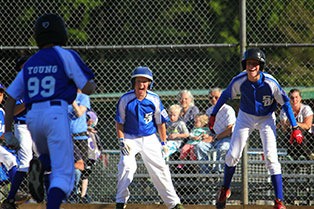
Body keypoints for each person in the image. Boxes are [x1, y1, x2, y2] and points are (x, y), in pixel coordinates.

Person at [3, 13, 96, 209]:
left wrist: (9, 131)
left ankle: (41, 164)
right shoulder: (66, 55)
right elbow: (88, 88)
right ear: (61, 33)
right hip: (55, 115)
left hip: (34, 118)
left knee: (48, 159)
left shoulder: (31, 63)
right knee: (64, 174)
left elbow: (10, 98)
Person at [209, 48, 303, 209]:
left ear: (261, 66)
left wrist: (295, 127)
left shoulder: (270, 82)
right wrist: (213, 114)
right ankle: (225, 188)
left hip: (266, 117)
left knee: (271, 158)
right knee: (232, 155)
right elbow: (225, 95)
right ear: (244, 65)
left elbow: (285, 103)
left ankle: (279, 201)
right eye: (249, 63)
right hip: (245, 117)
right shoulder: (240, 80)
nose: (252, 66)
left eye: (255, 64)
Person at [115, 66, 184, 209]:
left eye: (145, 82)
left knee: (161, 168)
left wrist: (164, 143)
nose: (141, 85)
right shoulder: (125, 99)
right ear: (133, 82)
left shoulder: (154, 99)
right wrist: (121, 140)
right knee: (126, 166)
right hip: (129, 137)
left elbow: (161, 123)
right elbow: (119, 122)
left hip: (149, 137)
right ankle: (120, 201)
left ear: (149, 84)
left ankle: (174, 204)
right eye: (139, 81)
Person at [1, 56, 37, 209]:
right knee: (24, 162)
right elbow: (13, 112)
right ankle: (10, 198)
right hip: (23, 127)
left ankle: (42, 198)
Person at [195, 88, 236, 174]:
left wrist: (215, 138)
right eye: (211, 98)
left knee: (223, 148)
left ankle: (219, 173)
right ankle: (205, 173)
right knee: (200, 146)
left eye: (216, 97)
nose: (213, 99)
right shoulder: (209, 110)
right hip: (213, 137)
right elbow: (207, 127)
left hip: (226, 137)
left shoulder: (228, 110)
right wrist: (206, 135)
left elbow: (230, 129)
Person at [67, 89, 90, 203]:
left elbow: (79, 113)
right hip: (67, 137)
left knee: (83, 167)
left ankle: (83, 195)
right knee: (73, 166)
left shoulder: (83, 97)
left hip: (80, 137)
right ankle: (73, 192)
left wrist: (72, 101)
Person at [279, 89, 313, 160]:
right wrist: (290, 125)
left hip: (306, 137)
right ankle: (307, 155)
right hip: (290, 137)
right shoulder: (284, 110)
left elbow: (307, 126)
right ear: (288, 99)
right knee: (293, 130)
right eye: (292, 97)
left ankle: (295, 156)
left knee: (298, 129)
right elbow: (284, 129)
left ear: (300, 98)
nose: (294, 99)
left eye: (296, 97)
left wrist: (293, 123)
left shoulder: (306, 109)